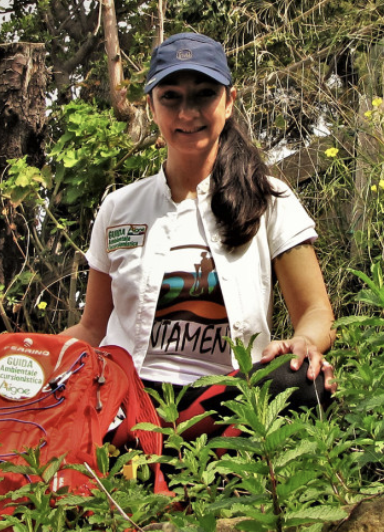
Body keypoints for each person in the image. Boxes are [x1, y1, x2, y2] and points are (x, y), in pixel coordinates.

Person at [63, 32, 336, 438]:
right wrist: (24, 354)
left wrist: (304, 342)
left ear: (229, 101)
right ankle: (145, 446)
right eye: (170, 96)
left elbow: (316, 311)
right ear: (151, 106)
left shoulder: (270, 198)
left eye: (204, 94)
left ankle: (162, 452)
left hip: (229, 395)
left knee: (303, 382)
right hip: (128, 395)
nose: (187, 112)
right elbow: (91, 329)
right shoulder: (119, 208)